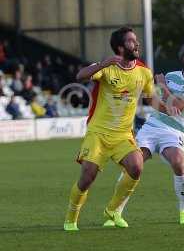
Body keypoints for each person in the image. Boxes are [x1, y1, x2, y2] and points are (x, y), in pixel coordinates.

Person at [63, 26, 175, 231]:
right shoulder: (107, 67)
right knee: (87, 176)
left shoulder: (144, 71)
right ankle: (71, 218)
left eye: (135, 40)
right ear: (120, 47)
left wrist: (168, 109)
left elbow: (151, 99)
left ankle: (112, 210)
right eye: (132, 41)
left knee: (136, 166)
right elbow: (80, 76)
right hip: (98, 133)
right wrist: (102, 64)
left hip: (123, 135)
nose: (137, 43)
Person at [104, 41, 184, 226]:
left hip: (175, 131)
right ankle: (115, 212)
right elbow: (154, 101)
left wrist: (162, 85)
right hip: (152, 126)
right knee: (132, 165)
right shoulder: (171, 76)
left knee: (178, 162)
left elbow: (177, 105)